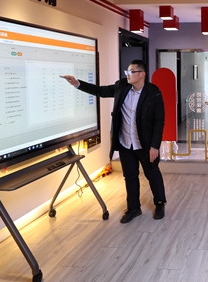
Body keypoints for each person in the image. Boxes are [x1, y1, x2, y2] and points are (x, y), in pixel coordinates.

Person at [62, 60, 167, 224]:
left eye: (131, 71)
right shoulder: (121, 86)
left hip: (145, 144)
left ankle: (160, 203)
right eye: (127, 71)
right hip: (125, 143)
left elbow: (159, 121)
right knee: (130, 176)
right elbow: (100, 91)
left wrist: (154, 146)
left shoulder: (154, 93)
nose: (128, 74)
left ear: (142, 74)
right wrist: (77, 84)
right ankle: (134, 208)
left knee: (152, 173)